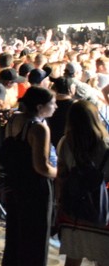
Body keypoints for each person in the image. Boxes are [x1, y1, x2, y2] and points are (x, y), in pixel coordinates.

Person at [1, 86, 57, 266]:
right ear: (40, 107)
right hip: (35, 188)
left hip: (14, 184)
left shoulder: (13, 120)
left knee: (16, 234)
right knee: (36, 237)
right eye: (52, 103)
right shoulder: (38, 128)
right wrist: (61, 172)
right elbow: (42, 167)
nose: (55, 106)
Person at [55, 100, 109, 266]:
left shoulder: (65, 142)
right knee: (103, 258)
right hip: (99, 209)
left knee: (72, 258)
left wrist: (60, 203)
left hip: (74, 211)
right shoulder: (105, 145)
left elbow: (61, 176)